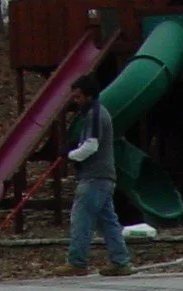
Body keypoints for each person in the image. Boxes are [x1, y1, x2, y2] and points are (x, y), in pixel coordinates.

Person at [56, 76, 133, 277]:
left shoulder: (95, 115)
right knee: (108, 221)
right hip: (104, 177)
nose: (75, 100)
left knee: (81, 218)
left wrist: (69, 154)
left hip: (94, 176)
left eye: (79, 96)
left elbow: (91, 146)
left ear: (90, 96)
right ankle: (121, 261)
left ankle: (77, 262)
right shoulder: (96, 114)